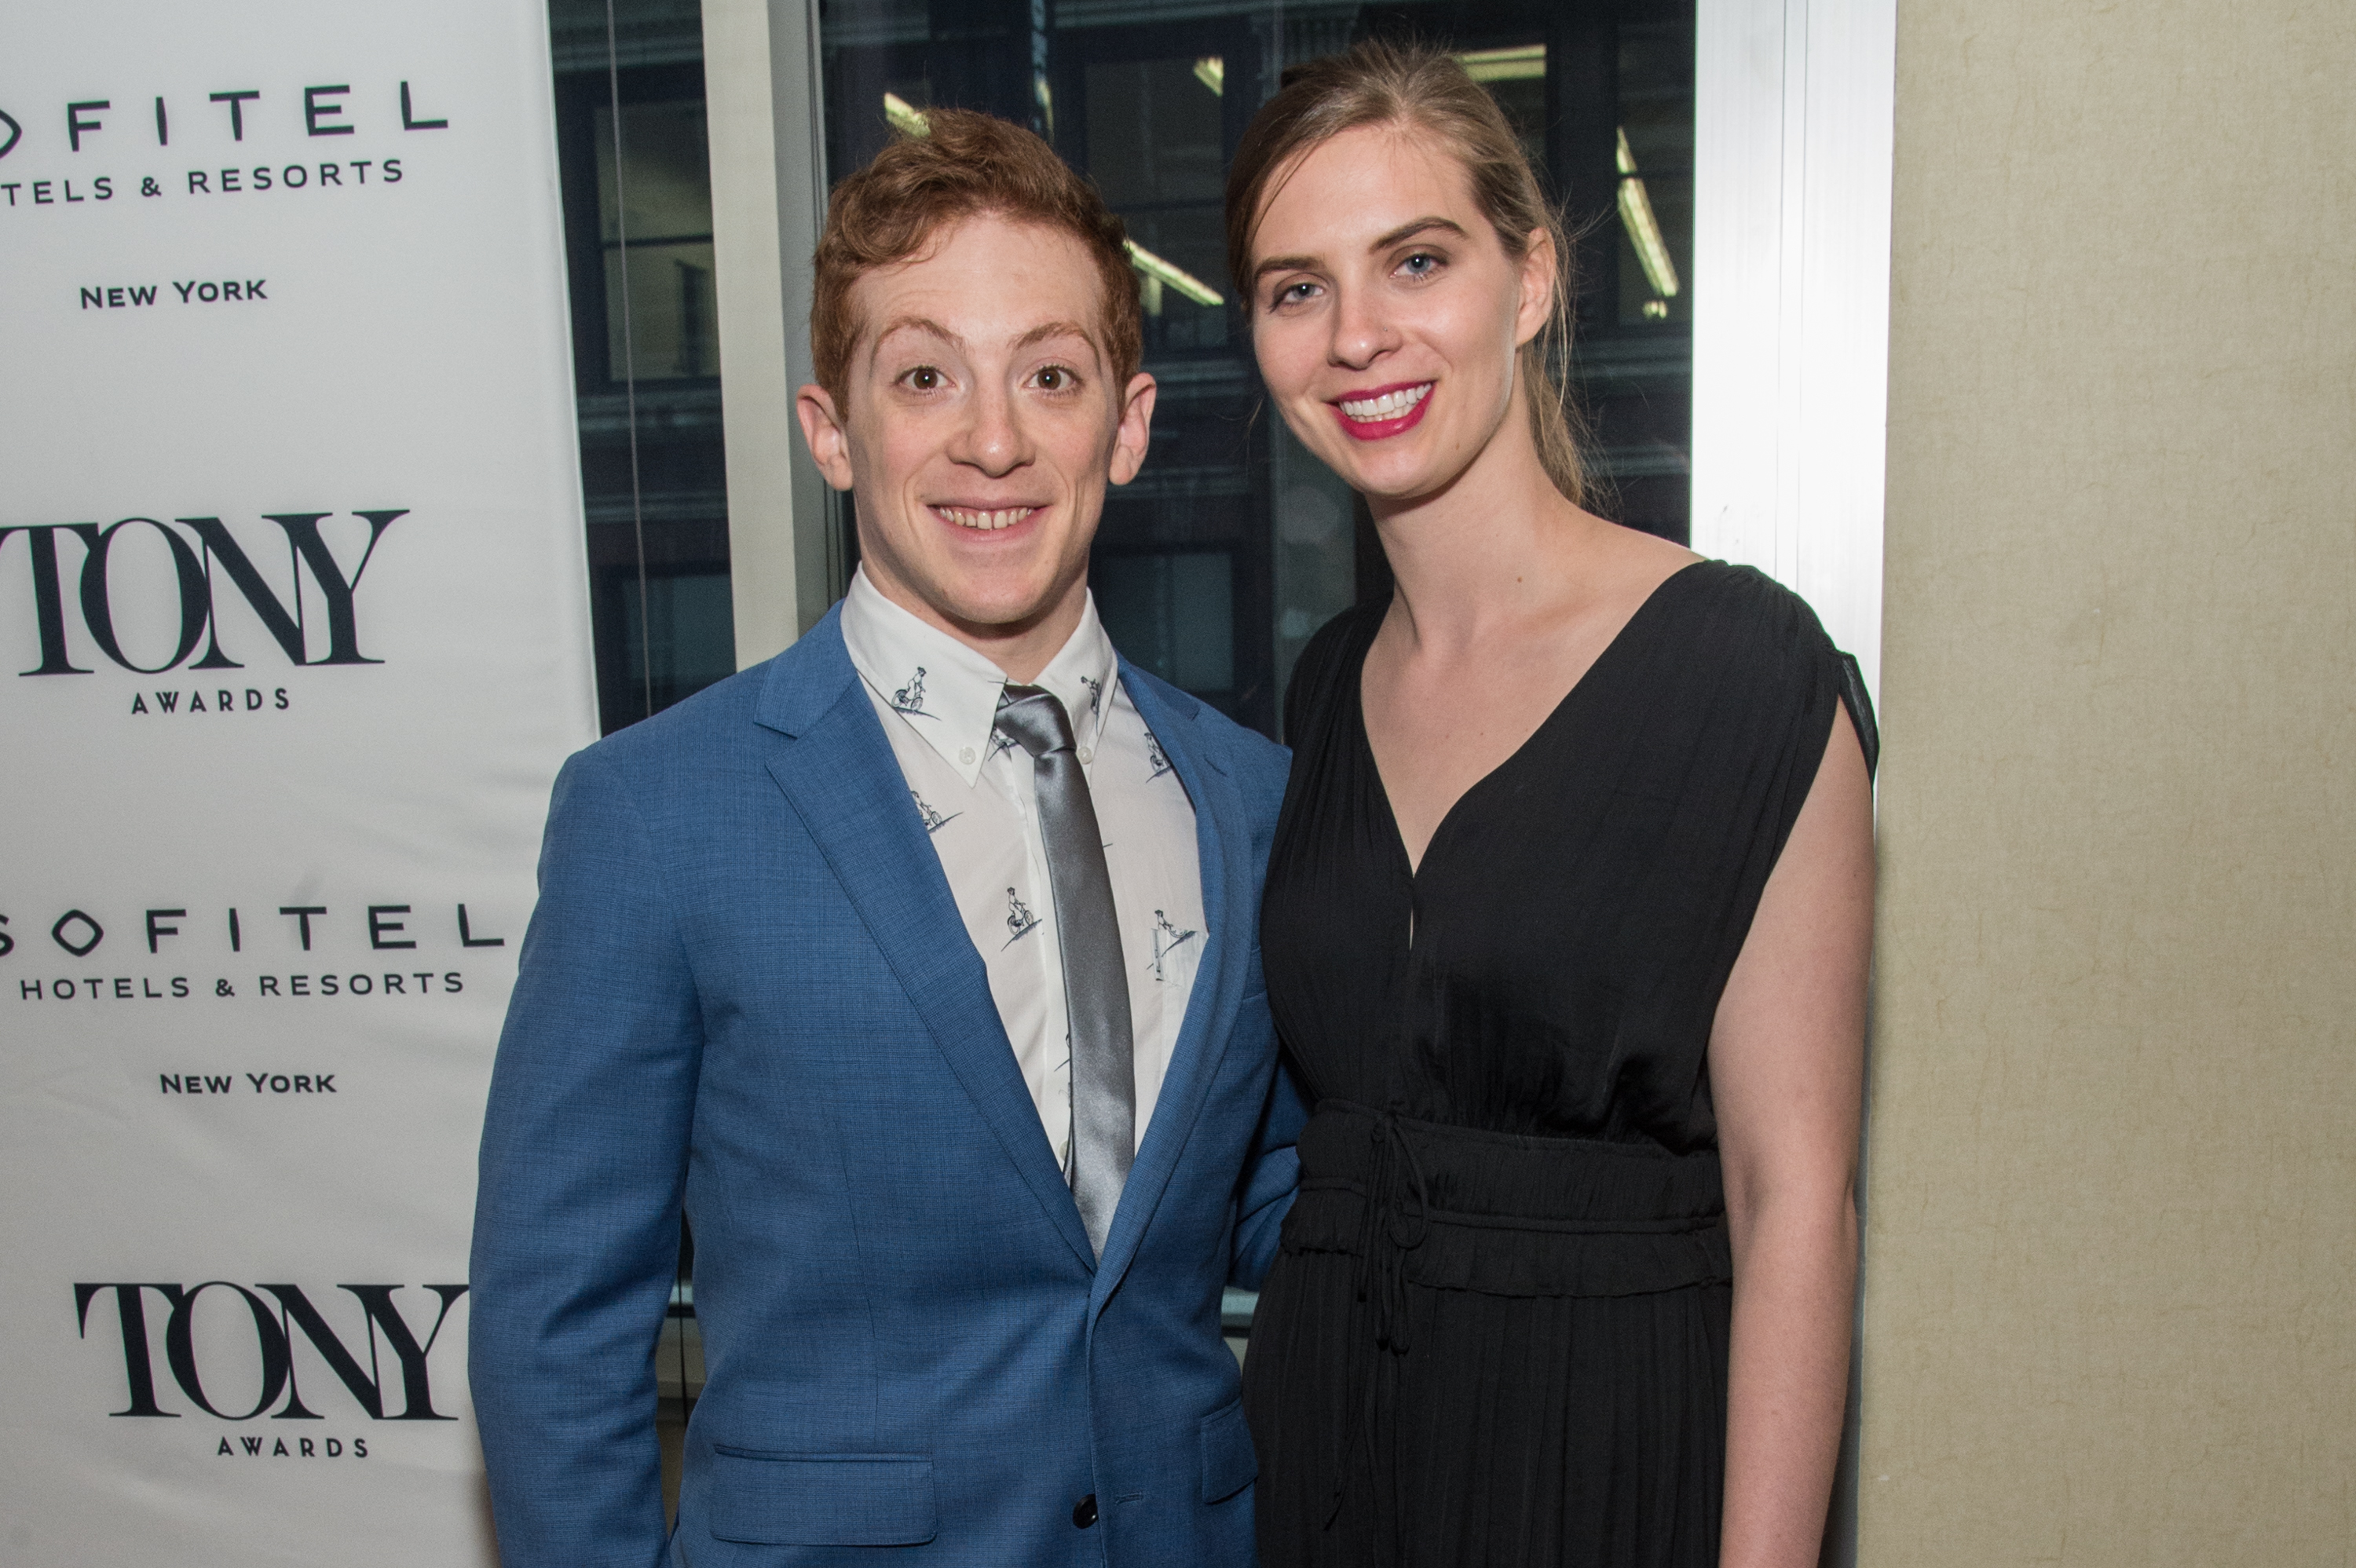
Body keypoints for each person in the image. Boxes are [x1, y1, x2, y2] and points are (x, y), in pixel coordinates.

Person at [470, 109, 1300, 1567]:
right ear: (833, 430)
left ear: (1132, 419)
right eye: (926, 375)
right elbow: (554, 1329)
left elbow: (1292, 1208)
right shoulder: (655, 811)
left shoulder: (1249, 796)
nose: (994, 436)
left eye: (1051, 373)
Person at [1225, 41, 1878, 1568]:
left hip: (1610, 1451)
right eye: (1295, 287)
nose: (1359, 336)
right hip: (1328, 1453)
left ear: (1530, 280)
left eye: (1417, 261)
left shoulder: (1742, 669)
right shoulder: (1323, 691)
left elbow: (1798, 1205)